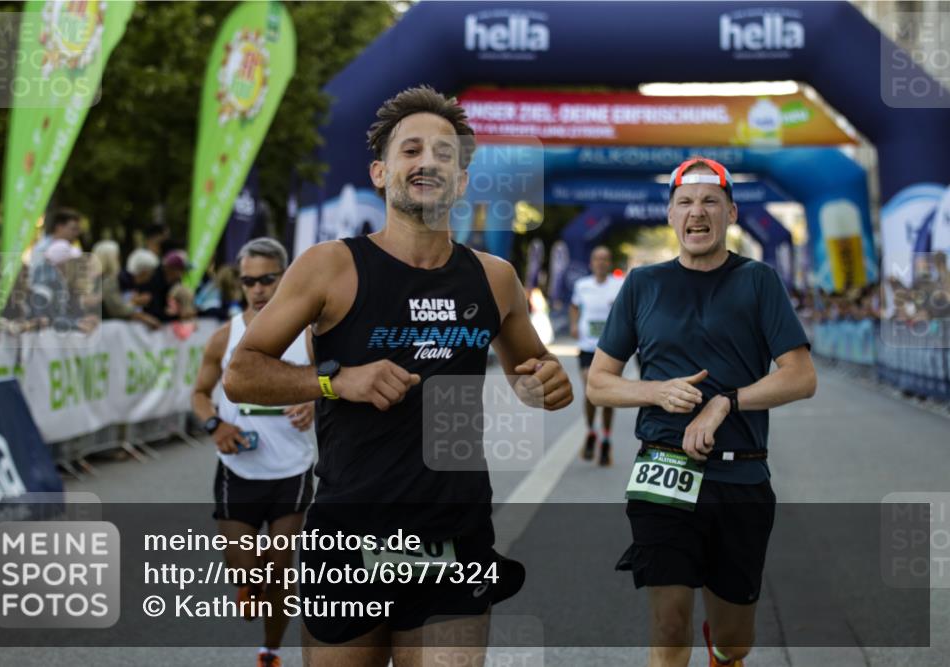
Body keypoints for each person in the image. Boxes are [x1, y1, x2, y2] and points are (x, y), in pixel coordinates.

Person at [224, 86, 573, 666]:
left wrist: (549, 385)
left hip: (453, 533)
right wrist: (338, 382)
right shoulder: (331, 266)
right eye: (411, 150)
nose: (428, 162)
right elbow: (242, 373)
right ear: (381, 172)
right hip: (348, 532)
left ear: (461, 180)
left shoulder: (495, 278)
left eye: (444, 154)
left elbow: (532, 374)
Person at [586, 156, 817, 667]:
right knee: (668, 624)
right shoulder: (643, 284)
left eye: (710, 201)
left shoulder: (758, 281)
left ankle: (723, 653)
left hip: (741, 475)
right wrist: (655, 392)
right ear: (669, 215)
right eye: (685, 202)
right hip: (664, 469)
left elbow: (801, 377)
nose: (697, 212)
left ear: (731, 212)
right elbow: (599, 383)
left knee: (734, 637)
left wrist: (725, 402)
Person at [191, 237, 316, 667]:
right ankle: (250, 582)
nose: (258, 289)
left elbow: (336, 385)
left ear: (285, 278)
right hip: (238, 469)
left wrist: (314, 401)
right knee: (247, 572)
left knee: (280, 566)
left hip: (292, 469)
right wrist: (215, 424)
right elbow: (199, 394)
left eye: (268, 280)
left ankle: (270, 651)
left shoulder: (309, 335)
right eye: (249, 281)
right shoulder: (227, 335)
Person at [569, 245, 624, 466]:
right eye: (597, 259)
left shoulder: (619, 285)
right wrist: (574, 324)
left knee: (607, 396)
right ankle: (591, 431)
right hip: (587, 346)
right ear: (591, 263)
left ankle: (607, 438)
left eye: (605, 259)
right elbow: (574, 306)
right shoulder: (582, 285)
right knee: (591, 391)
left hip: (610, 348)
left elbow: (629, 311)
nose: (601, 263)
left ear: (609, 263)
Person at [91, 240, 161, 329]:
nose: (119, 259)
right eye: (117, 256)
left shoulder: (99, 279)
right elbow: (117, 309)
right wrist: (134, 303)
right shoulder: (109, 280)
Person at [142, 249, 191, 322]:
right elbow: (154, 312)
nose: (182, 274)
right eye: (181, 270)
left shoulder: (174, 283)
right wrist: (178, 316)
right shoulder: (152, 282)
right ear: (169, 268)